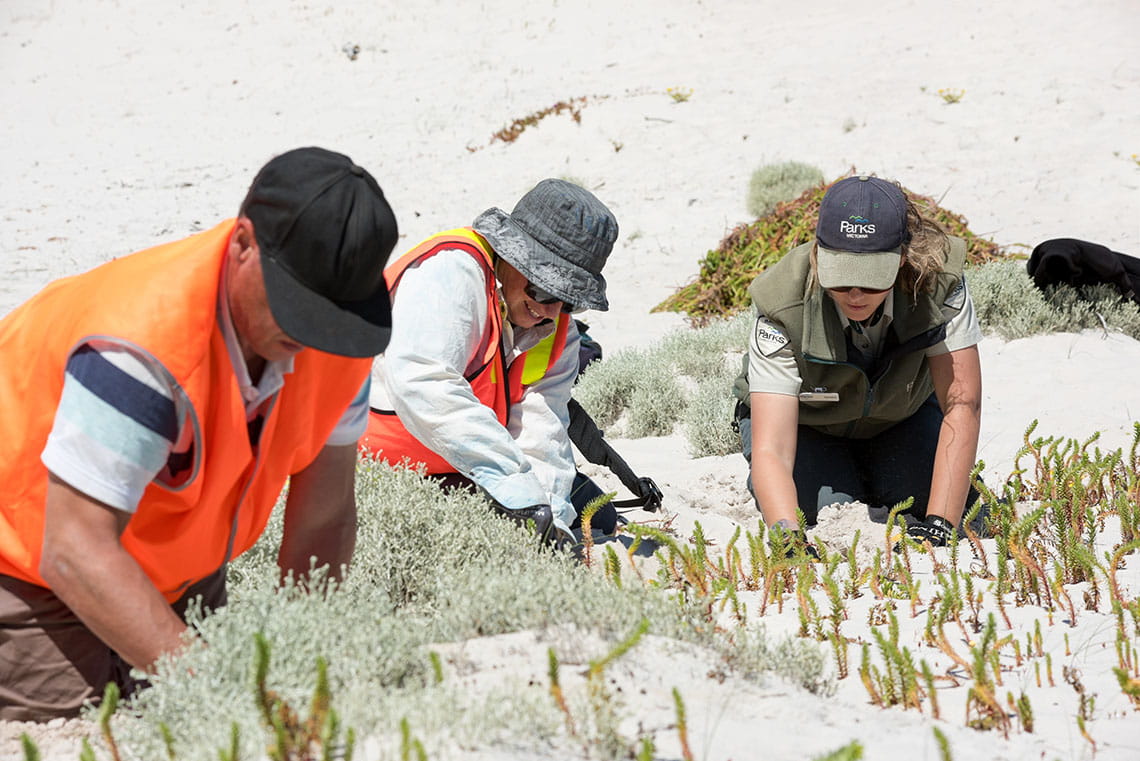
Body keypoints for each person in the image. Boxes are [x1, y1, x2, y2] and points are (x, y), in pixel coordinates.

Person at [0, 146, 398, 720]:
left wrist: (297, 661)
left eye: (328, 318)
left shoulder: (340, 339)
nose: (310, 337)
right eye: (297, 308)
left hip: (179, 558)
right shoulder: (140, 346)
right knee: (78, 729)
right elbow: (74, 549)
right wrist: (220, 692)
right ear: (242, 245)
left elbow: (323, 516)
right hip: (28, 557)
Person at [360, 179, 620, 543]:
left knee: (595, 515)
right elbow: (423, 384)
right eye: (543, 288)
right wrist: (520, 495)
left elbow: (543, 435)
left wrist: (550, 520)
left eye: (569, 299)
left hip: (459, 465)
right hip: (368, 465)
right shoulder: (451, 275)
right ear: (511, 255)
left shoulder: (560, 334)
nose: (550, 310)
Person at [736, 175, 983, 551]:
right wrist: (788, 538)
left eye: (871, 280)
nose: (854, 294)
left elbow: (962, 403)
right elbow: (773, 447)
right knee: (820, 510)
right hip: (808, 423)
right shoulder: (780, 301)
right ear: (818, 254)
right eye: (840, 277)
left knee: (940, 501)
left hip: (900, 416)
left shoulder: (941, 282)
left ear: (902, 258)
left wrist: (939, 525)